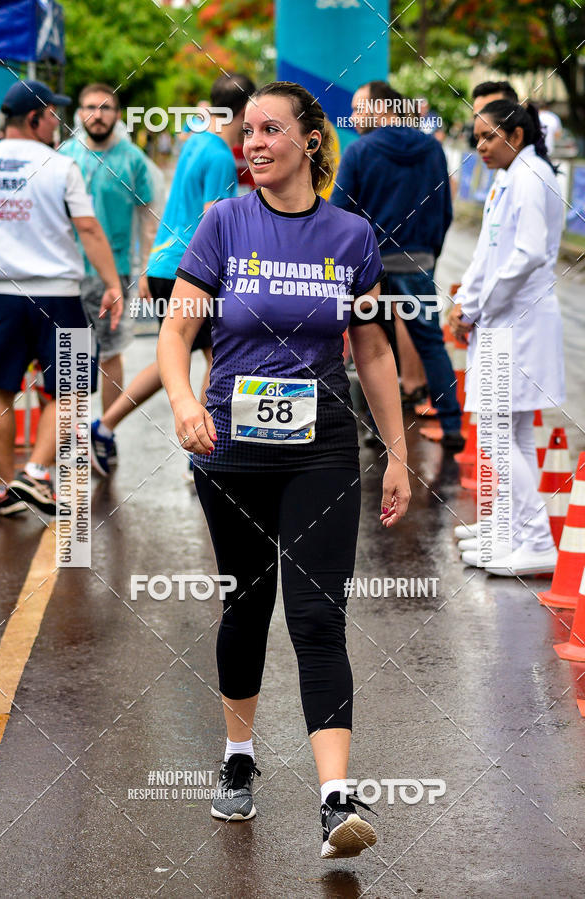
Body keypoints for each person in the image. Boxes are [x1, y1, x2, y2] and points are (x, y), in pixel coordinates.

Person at [157, 81, 411, 858]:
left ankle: (337, 799)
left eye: (270, 130)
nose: (254, 143)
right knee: (247, 604)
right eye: (247, 133)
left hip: (324, 448)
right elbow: (176, 332)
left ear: (310, 139)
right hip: (230, 450)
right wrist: (181, 402)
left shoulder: (350, 235)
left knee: (316, 615)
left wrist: (398, 453)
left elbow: (371, 350)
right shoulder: (223, 222)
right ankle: (238, 755)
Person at [89, 74, 255, 476]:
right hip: (192, 268)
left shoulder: (195, 141)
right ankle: (204, 451)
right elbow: (217, 222)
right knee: (219, 361)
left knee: (174, 359)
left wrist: (149, 264)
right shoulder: (218, 155)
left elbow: (177, 209)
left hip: (167, 265)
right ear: (247, 108)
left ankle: (104, 426)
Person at [0, 80, 122, 516]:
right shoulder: (60, 166)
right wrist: (113, 282)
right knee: (73, 388)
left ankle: (5, 489)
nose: (57, 121)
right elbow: (87, 229)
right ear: (33, 119)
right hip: (58, 296)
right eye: (51, 113)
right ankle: (39, 474)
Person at [449, 101, 564, 576]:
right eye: (476, 137)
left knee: (498, 433)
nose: (480, 147)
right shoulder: (511, 176)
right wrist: (467, 304)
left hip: (517, 322)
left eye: (488, 137)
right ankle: (516, 536)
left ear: (515, 135)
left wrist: (478, 307)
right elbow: (487, 253)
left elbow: (528, 254)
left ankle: (536, 540)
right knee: (509, 431)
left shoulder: (529, 178)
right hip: (503, 322)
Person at [331, 80, 464, 451]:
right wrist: (429, 255)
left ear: (383, 107)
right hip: (418, 262)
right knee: (431, 342)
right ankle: (451, 424)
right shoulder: (432, 150)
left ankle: (377, 429)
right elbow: (444, 211)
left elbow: (341, 213)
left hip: (372, 270)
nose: (354, 117)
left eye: (359, 109)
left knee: (376, 346)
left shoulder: (359, 152)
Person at [60, 83, 155, 422]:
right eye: (89, 108)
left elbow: (149, 217)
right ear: (79, 112)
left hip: (114, 271)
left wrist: (146, 265)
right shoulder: (64, 156)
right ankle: (73, 434)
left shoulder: (133, 161)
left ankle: (105, 433)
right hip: (67, 271)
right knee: (71, 352)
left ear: (117, 115)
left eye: (105, 108)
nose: (97, 116)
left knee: (110, 352)